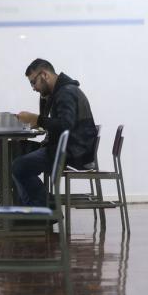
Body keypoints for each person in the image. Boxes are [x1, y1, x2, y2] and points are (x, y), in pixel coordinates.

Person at [14, 59, 97, 207]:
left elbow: (65, 125)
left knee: (19, 166)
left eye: (33, 82)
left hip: (72, 153)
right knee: (17, 152)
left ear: (44, 75)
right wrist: (43, 105)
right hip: (69, 148)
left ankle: (45, 207)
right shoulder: (61, 91)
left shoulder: (66, 92)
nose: (33, 88)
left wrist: (37, 119)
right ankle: (32, 206)